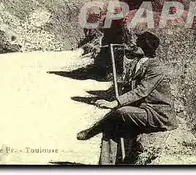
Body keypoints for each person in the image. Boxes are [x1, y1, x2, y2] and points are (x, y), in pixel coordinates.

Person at [76, 31, 178, 165]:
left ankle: (92, 130)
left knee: (120, 112)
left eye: (138, 45)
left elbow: (141, 90)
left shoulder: (155, 67)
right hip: (141, 110)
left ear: (145, 48)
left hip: (157, 114)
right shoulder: (138, 62)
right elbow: (130, 86)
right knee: (111, 126)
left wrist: (115, 103)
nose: (134, 46)